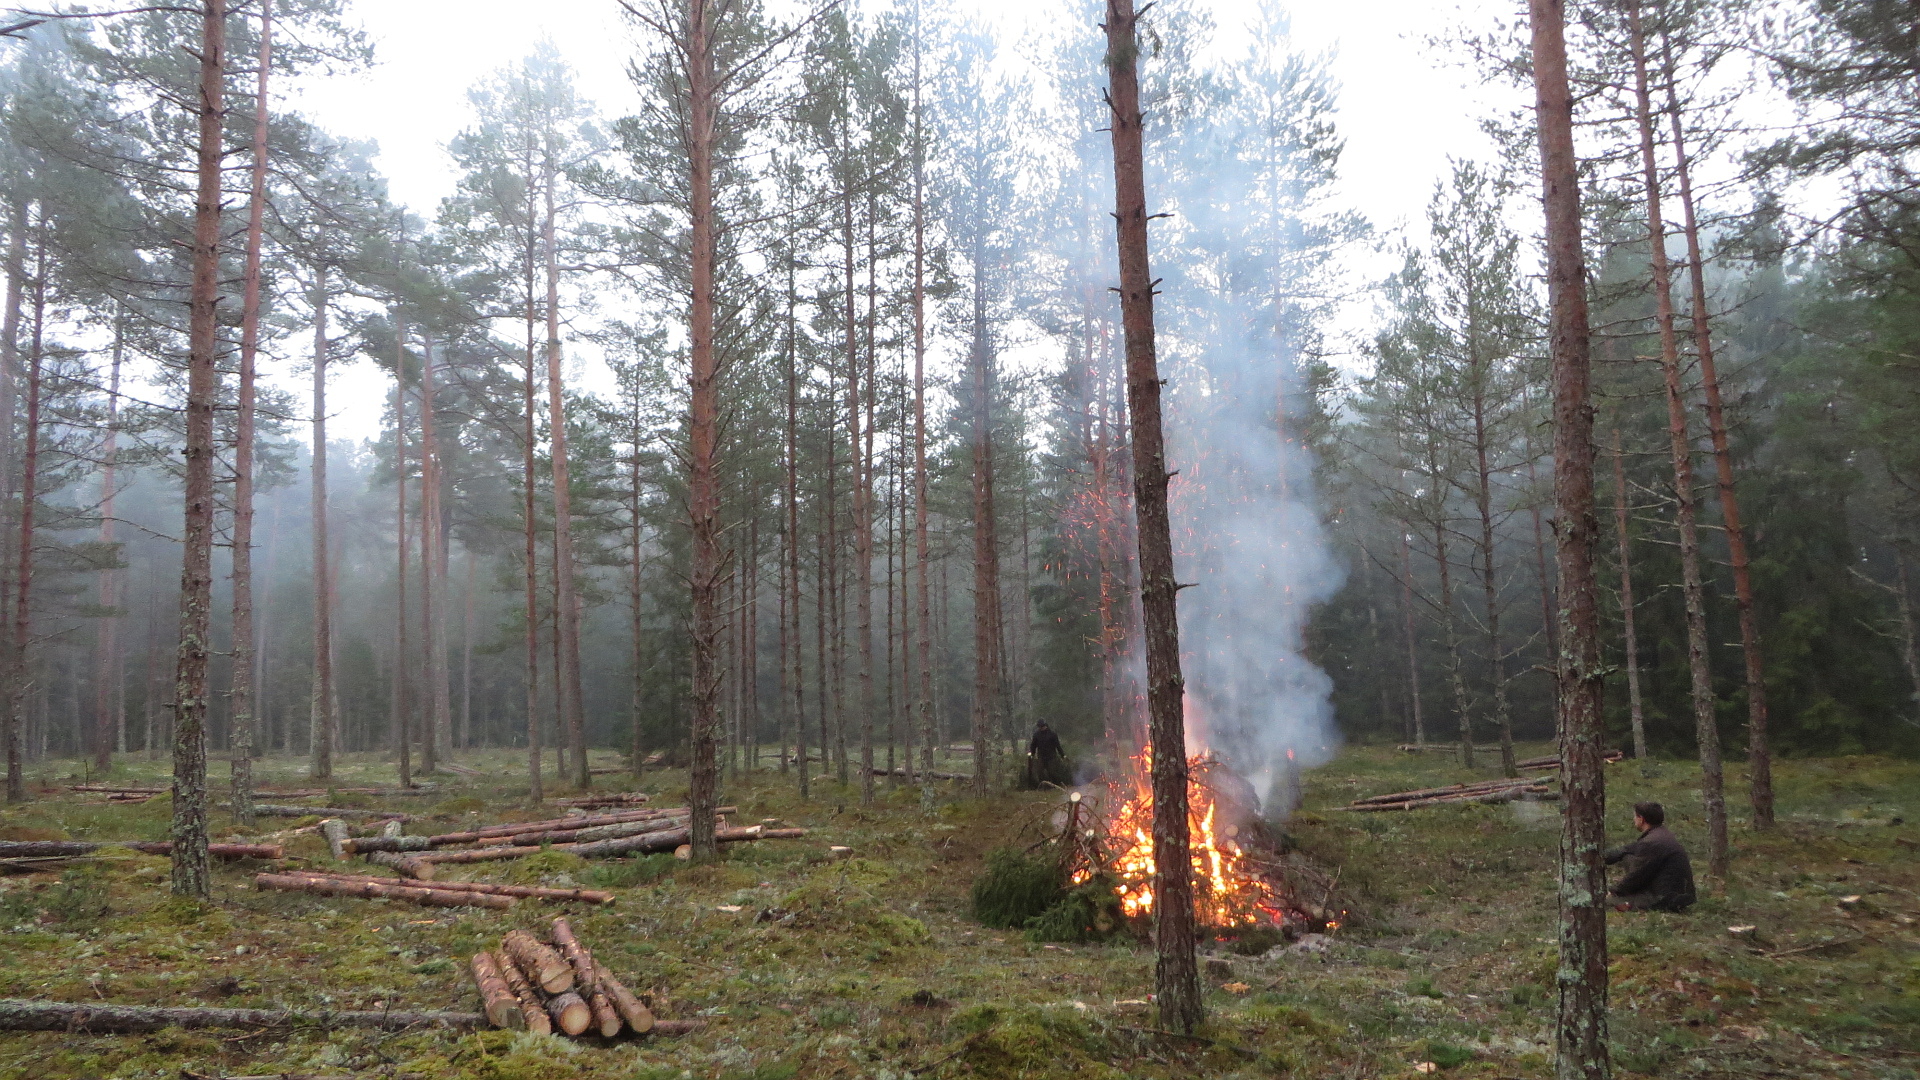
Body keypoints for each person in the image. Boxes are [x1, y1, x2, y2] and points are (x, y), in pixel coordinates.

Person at [1605, 801, 1697, 912]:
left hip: (1664, 899)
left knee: (1602, 902)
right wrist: (1601, 857)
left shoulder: (1651, 843)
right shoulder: (1661, 835)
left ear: (1641, 819)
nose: (1633, 819)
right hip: (1677, 894)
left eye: (1635, 816)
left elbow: (1637, 876)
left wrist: (1614, 891)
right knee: (1627, 857)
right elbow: (1627, 850)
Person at [1024, 721, 1072, 788]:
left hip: (1051, 757)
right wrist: (1032, 754)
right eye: (1040, 727)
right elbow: (1033, 746)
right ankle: (1042, 786)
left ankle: (1054, 786)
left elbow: (1058, 746)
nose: (1041, 728)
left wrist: (1063, 755)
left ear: (1045, 726)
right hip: (1041, 756)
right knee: (1040, 772)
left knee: (1052, 772)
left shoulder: (1052, 734)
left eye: (1042, 727)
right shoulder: (1036, 735)